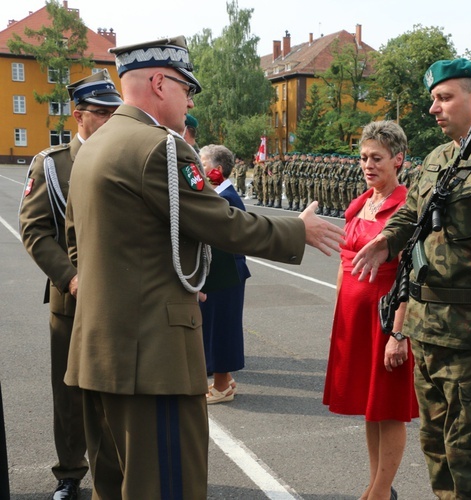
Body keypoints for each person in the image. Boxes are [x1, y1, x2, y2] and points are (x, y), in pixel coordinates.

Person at [63, 36, 344, 499]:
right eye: (185, 88)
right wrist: (298, 230)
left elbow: (81, 246)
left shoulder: (95, 144)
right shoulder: (160, 149)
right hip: (153, 360)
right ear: (158, 82)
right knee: (169, 486)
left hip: (99, 354)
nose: (189, 99)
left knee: (114, 487)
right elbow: (223, 223)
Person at [352, 58, 471, 499]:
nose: (433, 109)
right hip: (427, 332)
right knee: (436, 449)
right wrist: (387, 241)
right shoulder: (441, 157)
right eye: (433, 99)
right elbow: (411, 211)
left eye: (444, 98)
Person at [19, 70, 123, 500]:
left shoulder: (124, 156)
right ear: (79, 115)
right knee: (70, 394)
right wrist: (71, 277)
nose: (111, 120)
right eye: (102, 114)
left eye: (115, 112)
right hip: (73, 299)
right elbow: (34, 231)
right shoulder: (52, 164)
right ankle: (69, 472)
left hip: (120, 298)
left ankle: (115, 474)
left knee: (117, 389)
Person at [323, 121, 418, 500]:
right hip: (355, 321)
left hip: (385, 320)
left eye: (376, 158)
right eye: (363, 157)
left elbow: (411, 276)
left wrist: (399, 333)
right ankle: (378, 485)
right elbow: (344, 265)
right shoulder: (361, 203)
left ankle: (378, 493)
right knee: (370, 405)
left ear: (398, 159)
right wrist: (339, 314)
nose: (367, 164)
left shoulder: (407, 208)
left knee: (390, 408)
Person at [199, 144, 251, 403]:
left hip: (226, 273)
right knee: (215, 327)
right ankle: (225, 380)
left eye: (203, 164)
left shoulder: (226, 196)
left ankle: (221, 386)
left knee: (222, 329)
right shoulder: (217, 192)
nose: (198, 168)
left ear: (217, 170)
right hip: (220, 272)